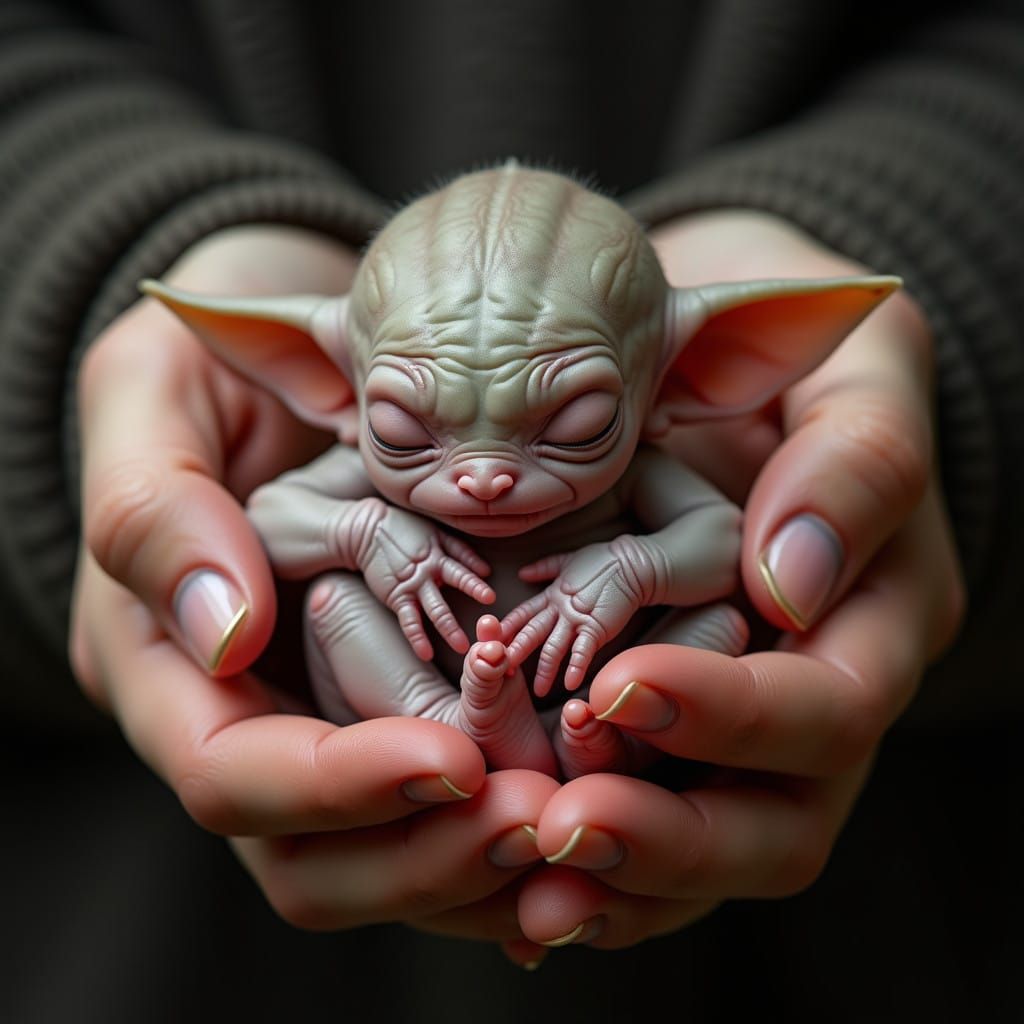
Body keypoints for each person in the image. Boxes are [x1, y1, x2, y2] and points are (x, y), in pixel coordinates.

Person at [1, 1, 1020, 1019]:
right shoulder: (369, 469)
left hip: (870, 911)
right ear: (327, 387)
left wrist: (627, 570)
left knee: (717, 629)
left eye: (572, 421)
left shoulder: (647, 462)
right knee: (324, 610)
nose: (483, 478)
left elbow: (726, 545)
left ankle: (602, 735)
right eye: (407, 428)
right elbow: (264, 523)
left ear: (688, 375)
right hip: (143, 936)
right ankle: (445, 719)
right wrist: (363, 526)